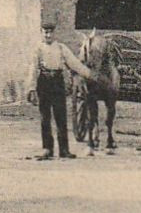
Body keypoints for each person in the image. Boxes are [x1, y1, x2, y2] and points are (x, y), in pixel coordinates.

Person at [33, 21, 98, 159]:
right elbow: (31, 70)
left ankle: (64, 150)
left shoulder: (61, 48)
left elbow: (74, 63)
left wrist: (89, 74)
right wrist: (31, 88)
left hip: (57, 83)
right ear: (42, 33)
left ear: (54, 34)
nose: (48, 35)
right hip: (43, 83)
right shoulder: (38, 49)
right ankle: (47, 149)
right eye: (46, 32)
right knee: (45, 118)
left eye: (51, 32)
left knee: (61, 117)